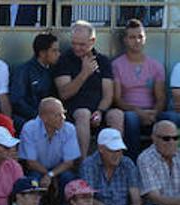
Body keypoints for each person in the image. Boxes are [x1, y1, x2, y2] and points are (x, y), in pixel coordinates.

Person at [54, 20, 117, 162]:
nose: (77, 48)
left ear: (92, 41)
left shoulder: (103, 61)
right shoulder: (64, 60)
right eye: (74, 43)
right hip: (74, 109)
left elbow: (108, 94)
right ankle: (83, 163)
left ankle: (115, 162)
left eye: (81, 44)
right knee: (83, 113)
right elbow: (64, 93)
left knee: (117, 115)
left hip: (98, 109)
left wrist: (100, 111)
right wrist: (84, 73)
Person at [112, 19, 174, 157]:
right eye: (132, 37)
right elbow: (117, 99)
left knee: (172, 117)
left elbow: (161, 97)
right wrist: (138, 112)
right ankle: (132, 163)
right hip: (130, 112)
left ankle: (172, 162)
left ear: (145, 39)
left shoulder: (156, 66)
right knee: (131, 118)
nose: (137, 41)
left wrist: (153, 113)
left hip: (152, 113)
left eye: (140, 36)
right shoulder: (117, 65)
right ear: (125, 40)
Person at [18, 98, 79, 193]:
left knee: (69, 178)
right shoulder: (29, 129)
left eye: (63, 113)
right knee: (33, 180)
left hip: (59, 169)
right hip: (36, 169)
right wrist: (48, 175)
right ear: (44, 117)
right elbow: (31, 162)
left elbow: (69, 162)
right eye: (58, 115)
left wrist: (50, 175)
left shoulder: (69, 129)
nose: (63, 117)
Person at [11, 32, 61, 127]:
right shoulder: (23, 71)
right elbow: (17, 101)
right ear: (42, 53)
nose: (58, 54)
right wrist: (38, 116)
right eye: (54, 51)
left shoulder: (54, 71)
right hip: (28, 119)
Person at [139, 119, 180, 205]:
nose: (171, 142)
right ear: (154, 138)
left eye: (175, 138)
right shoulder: (146, 159)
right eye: (166, 139)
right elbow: (155, 198)